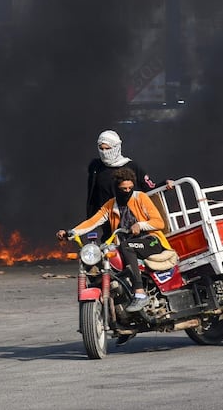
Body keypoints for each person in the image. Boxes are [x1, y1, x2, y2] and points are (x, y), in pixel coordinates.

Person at [58, 167, 169, 315]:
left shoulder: (140, 197)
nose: (127, 191)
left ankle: (140, 293)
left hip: (151, 241)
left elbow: (159, 222)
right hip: (124, 245)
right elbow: (92, 222)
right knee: (105, 253)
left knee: (127, 246)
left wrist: (140, 225)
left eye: (130, 188)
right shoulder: (110, 205)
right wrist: (70, 232)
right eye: (124, 188)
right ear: (116, 188)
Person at [86, 130, 173, 241]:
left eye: (108, 149)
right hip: (108, 219)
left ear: (116, 147)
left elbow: (149, 188)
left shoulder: (132, 166)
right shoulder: (95, 167)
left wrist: (165, 184)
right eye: (101, 148)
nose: (104, 152)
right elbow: (92, 195)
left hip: (132, 221)